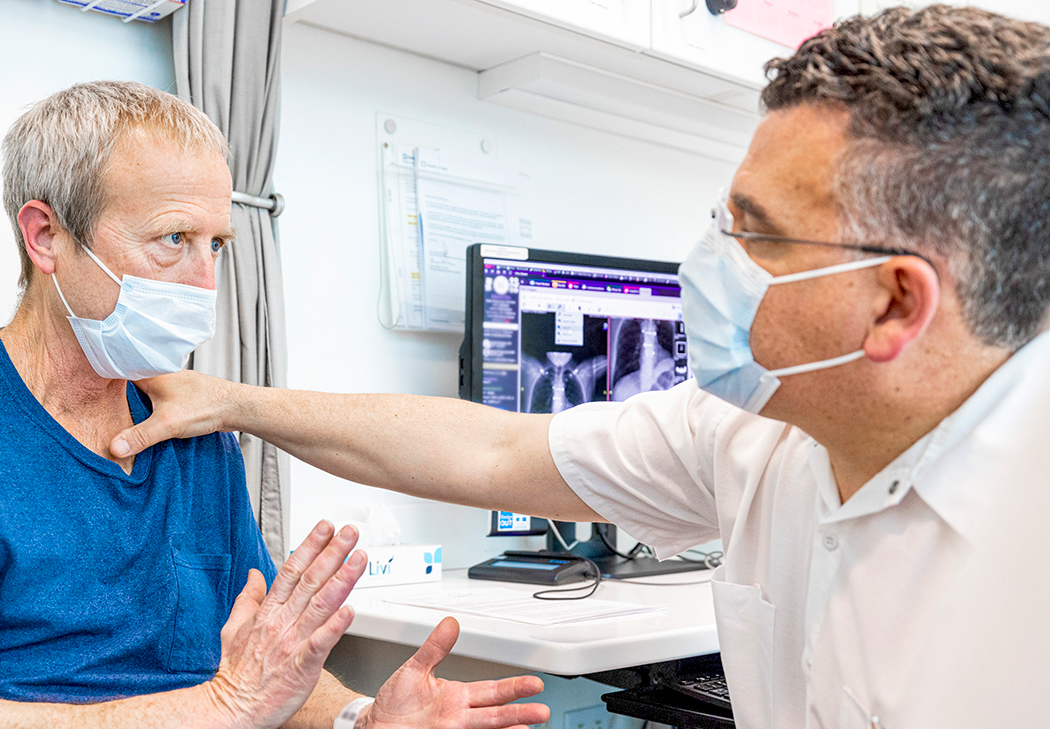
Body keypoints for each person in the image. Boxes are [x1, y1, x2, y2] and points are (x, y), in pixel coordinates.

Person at [108, 7, 1050, 728]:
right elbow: (488, 452)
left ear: (893, 302)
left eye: (755, 232)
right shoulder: (757, 430)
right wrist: (231, 398)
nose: (710, 258)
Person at [0, 81, 548, 729]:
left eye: (215, 244)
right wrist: (221, 707)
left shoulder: (191, 436)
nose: (201, 282)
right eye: (172, 239)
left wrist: (359, 716)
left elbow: (261, 670)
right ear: (46, 235)